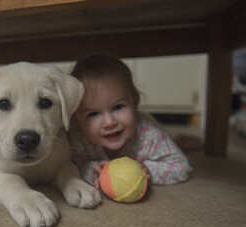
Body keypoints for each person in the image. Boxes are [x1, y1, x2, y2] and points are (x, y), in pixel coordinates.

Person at [69, 53, 192, 188]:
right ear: (76, 121)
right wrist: (93, 170)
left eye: (118, 107)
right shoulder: (77, 137)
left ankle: (179, 141)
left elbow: (182, 167)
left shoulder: (149, 135)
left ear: (135, 101)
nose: (109, 122)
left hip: (150, 125)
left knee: (169, 143)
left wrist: (148, 170)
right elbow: (74, 164)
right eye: (93, 114)